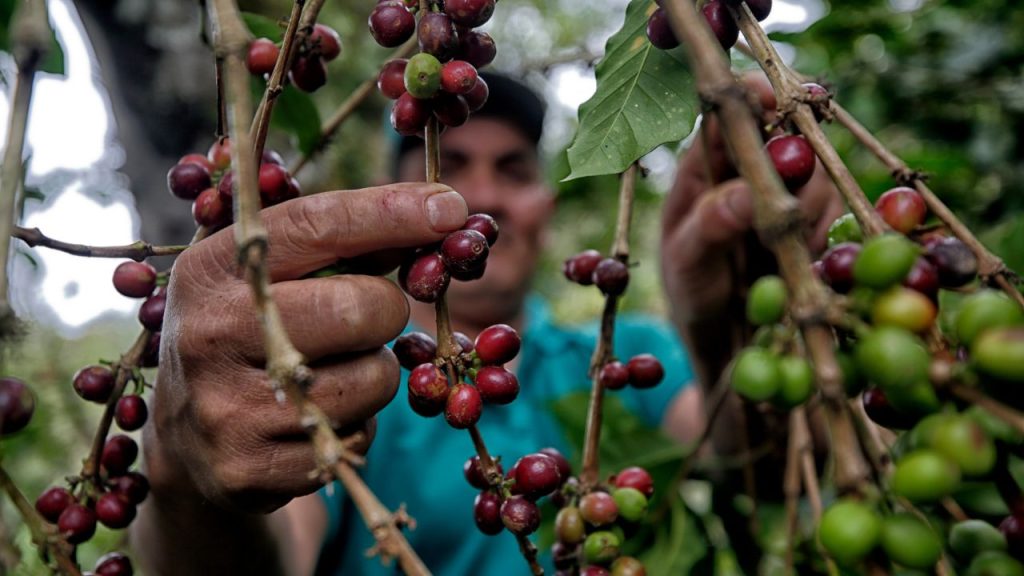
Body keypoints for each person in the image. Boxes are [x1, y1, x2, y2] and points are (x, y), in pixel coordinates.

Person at [132, 73, 841, 575]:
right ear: (394, 199)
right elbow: (276, 548)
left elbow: (759, 468)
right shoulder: (340, 380)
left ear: (546, 206)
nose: (482, 196)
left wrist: (721, 329)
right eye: (453, 164)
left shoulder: (619, 353)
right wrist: (190, 478)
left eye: (515, 169)